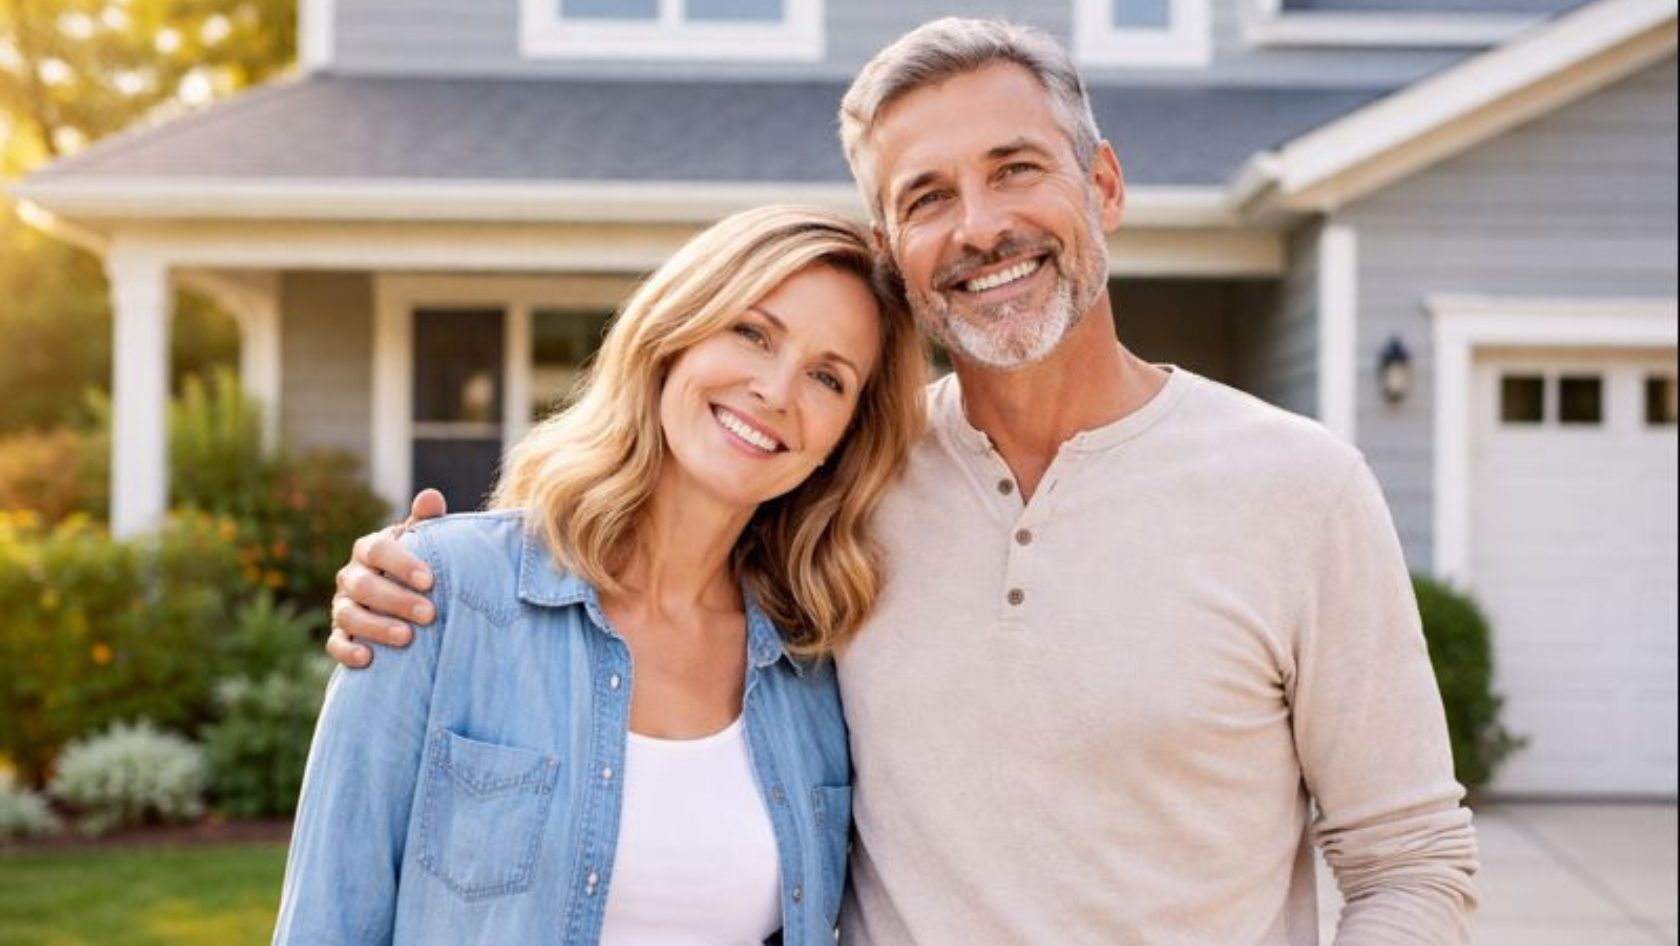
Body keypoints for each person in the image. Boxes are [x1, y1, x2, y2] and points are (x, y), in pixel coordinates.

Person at [327, 19, 1480, 945]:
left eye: (1016, 170)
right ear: (894, 249)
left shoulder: (1301, 488)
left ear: (1105, 189)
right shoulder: (838, 489)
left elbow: (1410, 861)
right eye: (926, 197)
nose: (979, 227)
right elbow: (629, 566)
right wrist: (414, 582)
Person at [275, 205, 927, 945]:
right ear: (673, 336)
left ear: (842, 441)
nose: (777, 391)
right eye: (752, 332)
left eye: (827, 378)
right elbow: (327, 921)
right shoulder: (438, 595)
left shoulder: (813, 667)